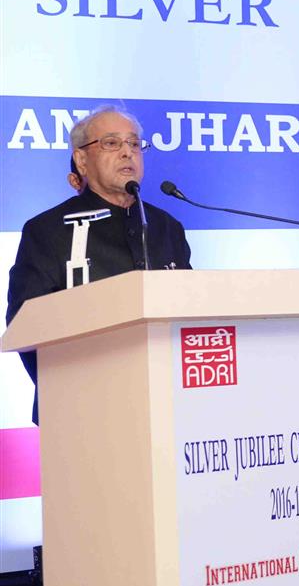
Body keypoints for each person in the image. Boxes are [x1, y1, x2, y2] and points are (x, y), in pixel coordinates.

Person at [6, 106, 192, 424]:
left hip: (168, 406)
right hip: (80, 414)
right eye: (111, 143)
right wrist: (71, 390)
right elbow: (26, 323)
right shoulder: (48, 230)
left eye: (134, 144)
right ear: (81, 160)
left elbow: (189, 312)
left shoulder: (166, 226)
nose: (127, 153)